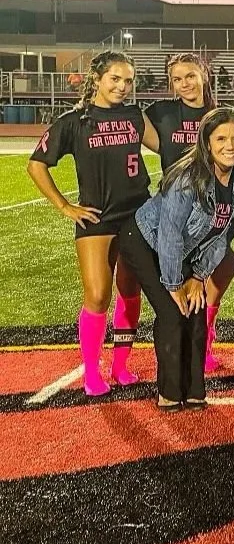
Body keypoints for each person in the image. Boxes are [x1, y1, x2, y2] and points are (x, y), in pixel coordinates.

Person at [28, 51, 153, 396]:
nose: (123, 86)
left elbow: (170, 148)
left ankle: (121, 365)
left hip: (137, 215)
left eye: (128, 80)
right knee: (98, 294)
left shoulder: (134, 116)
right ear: (96, 79)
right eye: (115, 78)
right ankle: (92, 372)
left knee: (130, 293)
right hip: (96, 218)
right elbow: (36, 165)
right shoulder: (74, 121)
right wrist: (66, 206)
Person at [118, 107, 234, 410]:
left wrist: (198, 277)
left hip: (186, 251)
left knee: (197, 310)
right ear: (207, 143)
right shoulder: (186, 177)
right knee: (171, 311)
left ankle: (194, 390)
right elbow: (169, 234)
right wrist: (174, 283)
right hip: (144, 240)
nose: (229, 146)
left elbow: (224, 234)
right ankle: (168, 392)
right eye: (221, 139)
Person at [146, 52, 234, 372]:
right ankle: (180, 353)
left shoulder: (220, 114)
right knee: (178, 282)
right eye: (177, 79)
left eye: (190, 76)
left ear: (204, 75)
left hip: (210, 211)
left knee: (221, 267)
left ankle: (203, 341)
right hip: (174, 212)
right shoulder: (162, 111)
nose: (185, 84)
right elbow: (130, 119)